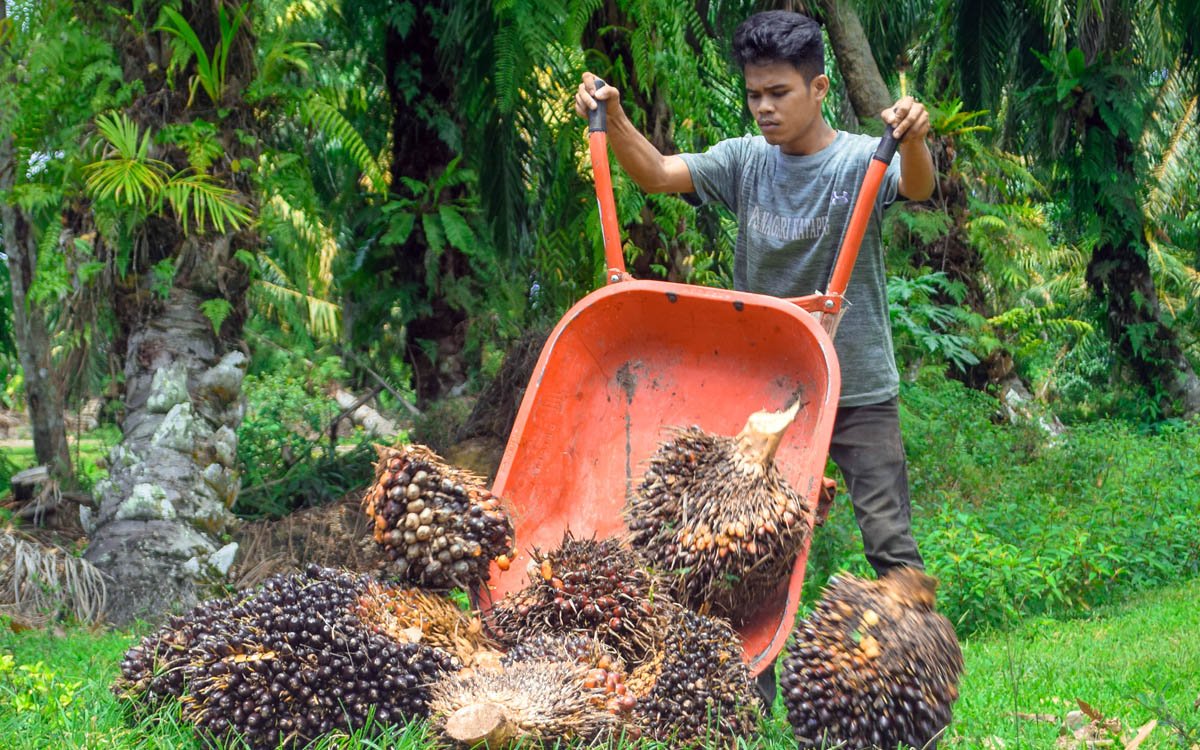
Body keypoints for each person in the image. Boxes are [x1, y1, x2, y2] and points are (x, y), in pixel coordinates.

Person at [574, 10, 935, 704]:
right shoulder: (744, 160)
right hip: (771, 401)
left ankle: (913, 691)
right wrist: (614, 117)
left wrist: (914, 138)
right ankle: (748, 697)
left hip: (856, 386)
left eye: (779, 93)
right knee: (746, 552)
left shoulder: (861, 159)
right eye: (754, 95)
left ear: (819, 86)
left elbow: (916, 187)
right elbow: (653, 174)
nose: (764, 108)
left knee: (890, 543)